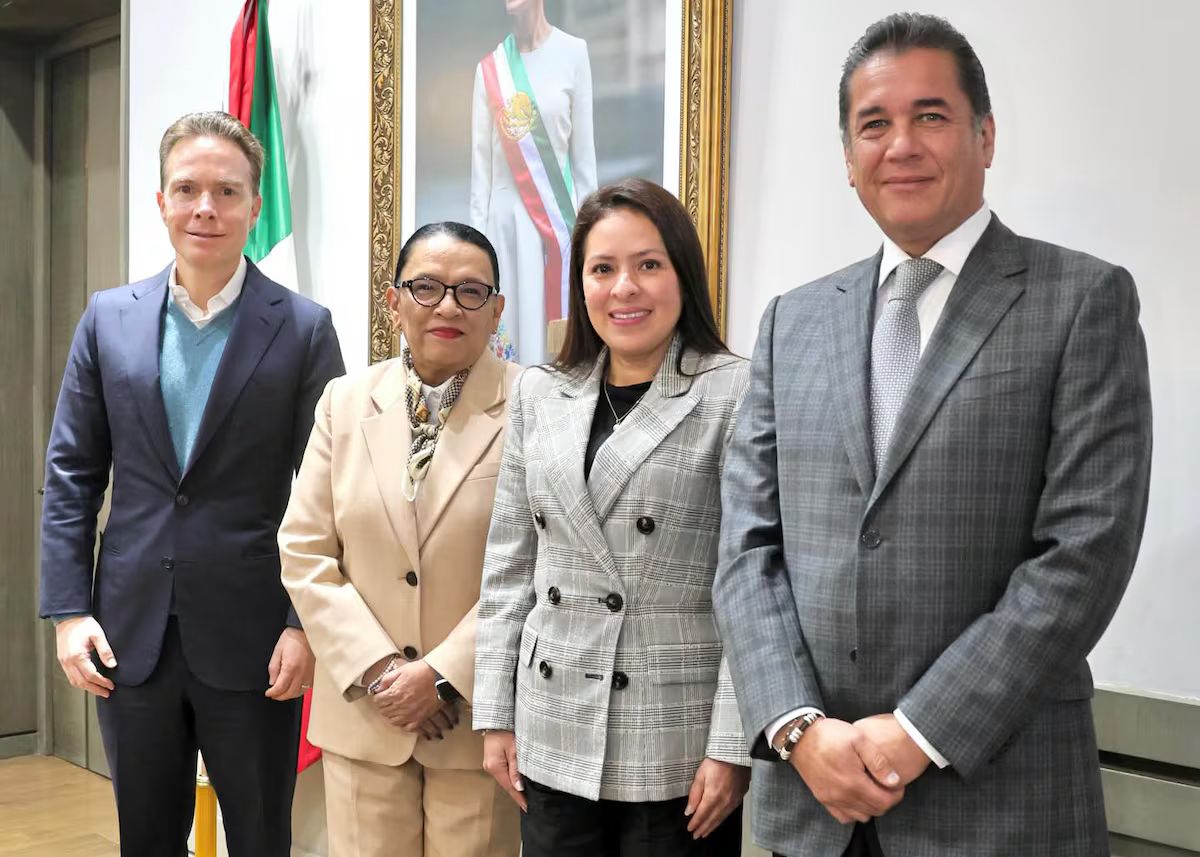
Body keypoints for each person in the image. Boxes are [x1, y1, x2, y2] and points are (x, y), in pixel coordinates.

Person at [713, 13, 1153, 857]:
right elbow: (746, 546)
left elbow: (1084, 552)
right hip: (813, 804)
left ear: (985, 136)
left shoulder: (1081, 301)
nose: (901, 145)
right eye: (873, 124)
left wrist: (918, 730)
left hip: (998, 805)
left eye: (931, 115)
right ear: (849, 159)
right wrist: (798, 726)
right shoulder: (791, 322)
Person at [39, 110, 345, 856]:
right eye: (187, 189)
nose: (205, 207)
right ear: (161, 201)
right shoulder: (107, 319)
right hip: (129, 634)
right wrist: (69, 611)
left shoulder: (303, 328)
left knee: (261, 837)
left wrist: (305, 623)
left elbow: (332, 492)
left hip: (257, 637)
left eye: (226, 191)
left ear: (255, 205)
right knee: (145, 837)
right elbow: (72, 473)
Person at [473, 178, 751, 857]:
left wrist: (733, 744)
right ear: (581, 285)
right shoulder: (540, 392)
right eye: (602, 269)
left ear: (683, 274)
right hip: (550, 721)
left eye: (648, 264)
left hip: (677, 736)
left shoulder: (736, 389)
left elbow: (756, 583)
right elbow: (509, 566)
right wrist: (495, 714)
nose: (624, 288)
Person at [278, 222, 522, 857]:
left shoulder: (535, 403)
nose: (448, 306)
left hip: (477, 721)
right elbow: (305, 550)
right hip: (367, 709)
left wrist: (441, 674)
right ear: (394, 302)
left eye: (471, 291)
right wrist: (384, 670)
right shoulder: (343, 402)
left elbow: (542, 562)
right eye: (426, 287)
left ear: (497, 309)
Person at [470, 0, 597, 363]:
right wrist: (476, 256)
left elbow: (584, 166)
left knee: (556, 349)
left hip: (559, 231)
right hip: (505, 233)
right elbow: (481, 180)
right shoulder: (490, 70)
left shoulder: (574, 53)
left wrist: (589, 244)